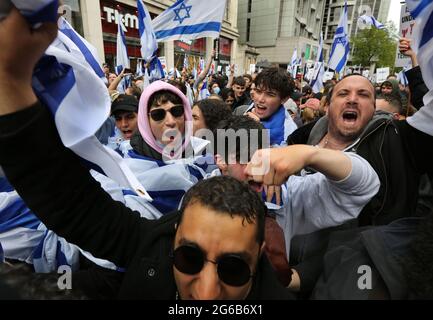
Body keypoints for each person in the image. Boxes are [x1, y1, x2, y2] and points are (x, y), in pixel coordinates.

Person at [234, 68, 298, 146]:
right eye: (258, 91)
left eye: (270, 95)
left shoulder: (289, 132)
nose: (260, 99)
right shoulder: (240, 111)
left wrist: (258, 131)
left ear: (284, 99)